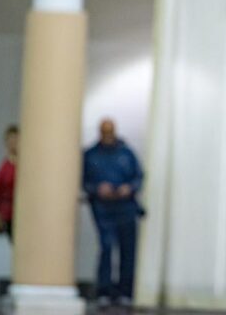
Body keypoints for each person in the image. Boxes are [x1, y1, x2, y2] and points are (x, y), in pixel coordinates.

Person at [82, 118, 143, 309]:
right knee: (107, 248)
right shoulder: (91, 155)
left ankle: (125, 292)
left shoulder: (126, 153)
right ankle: (104, 291)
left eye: (111, 132)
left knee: (128, 250)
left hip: (126, 207)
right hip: (103, 209)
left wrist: (129, 188)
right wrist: (97, 189)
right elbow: (83, 181)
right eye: (104, 132)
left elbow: (139, 176)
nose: (108, 135)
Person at [0, 125, 18, 240]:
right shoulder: (4, 167)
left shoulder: (28, 164)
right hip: (9, 213)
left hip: (27, 213)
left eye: (16, 139)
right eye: (10, 139)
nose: (13, 143)